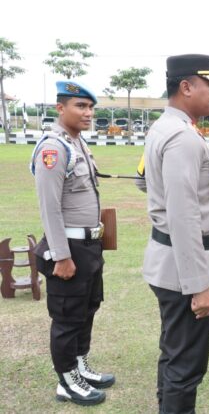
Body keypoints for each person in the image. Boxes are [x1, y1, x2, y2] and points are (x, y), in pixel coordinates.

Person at [142, 54, 209, 413]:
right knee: (185, 366)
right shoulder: (183, 138)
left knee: (174, 354)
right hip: (185, 271)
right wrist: (199, 286)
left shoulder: (168, 128)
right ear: (186, 87)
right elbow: (181, 215)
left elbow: (164, 187)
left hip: (171, 263)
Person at [31, 81, 114, 406]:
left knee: (86, 310)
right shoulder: (54, 149)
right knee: (67, 318)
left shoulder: (78, 144)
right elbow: (49, 208)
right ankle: (66, 381)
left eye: (91, 107)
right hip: (68, 247)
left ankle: (79, 365)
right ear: (60, 109)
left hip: (89, 247)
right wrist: (62, 257)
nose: (88, 113)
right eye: (80, 106)